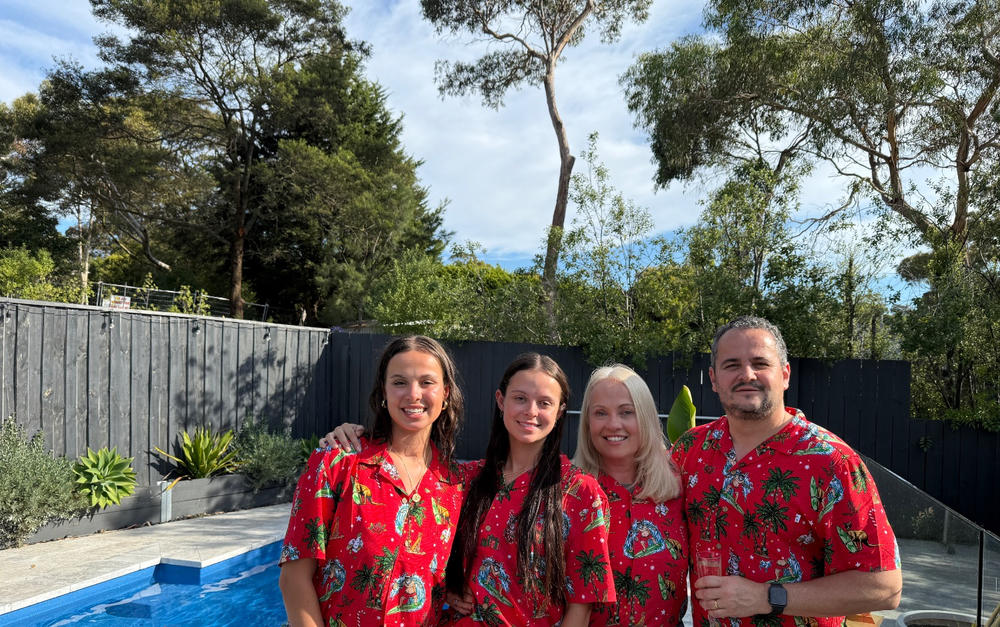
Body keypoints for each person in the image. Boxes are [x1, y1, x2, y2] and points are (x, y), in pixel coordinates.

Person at [671, 316, 901, 625]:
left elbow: (883, 588)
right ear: (714, 379)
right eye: (732, 365)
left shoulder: (832, 462)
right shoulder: (690, 451)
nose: (747, 374)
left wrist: (766, 596)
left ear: (785, 374)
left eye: (760, 363)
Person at [278, 335, 467, 626]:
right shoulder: (337, 461)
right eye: (399, 382)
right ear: (383, 391)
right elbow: (294, 577)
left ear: (445, 393)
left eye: (427, 382)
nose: (413, 394)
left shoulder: (455, 485)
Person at [442, 353, 616, 625]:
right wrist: (448, 588)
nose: (531, 411)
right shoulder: (466, 479)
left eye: (544, 403)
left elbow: (581, 607)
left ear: (559, 412)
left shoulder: (580, 492)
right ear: (501, 401)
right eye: (520, 398)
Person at [572, 364, 688, 626]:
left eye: (627, 412)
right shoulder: (566, 493)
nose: (613, 424)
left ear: (645, 417)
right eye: (600, 413)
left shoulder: (682, 487)